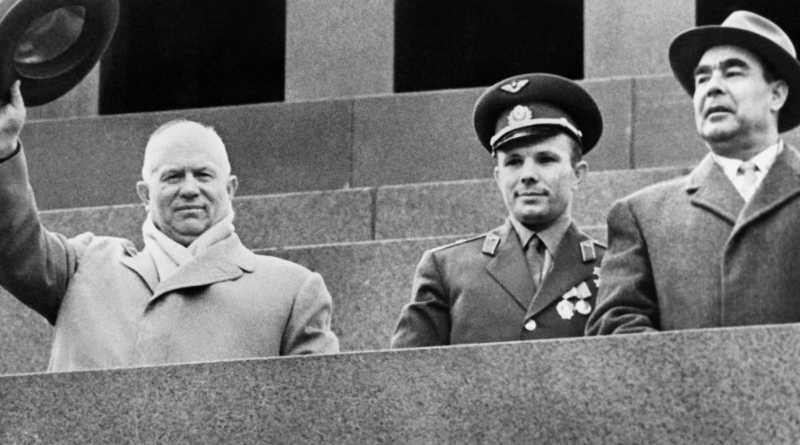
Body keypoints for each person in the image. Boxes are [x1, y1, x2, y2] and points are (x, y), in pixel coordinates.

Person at [0, 81, 339, 371]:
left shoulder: (292, 290)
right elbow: (12, 242)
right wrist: (3, 146)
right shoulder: (81, 266)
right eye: (173, 176)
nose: (189, 189)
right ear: (145, 194)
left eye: (204, 174)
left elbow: (317, 415)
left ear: (231, 188)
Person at [587, 11, 800, 335]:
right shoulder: (642, 215)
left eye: (733, 73)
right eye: (702, 78)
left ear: (777, 94)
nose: (712, 88)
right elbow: (616, 327)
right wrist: (695, 377)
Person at [391, 73, 606, 347]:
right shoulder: (447, 268)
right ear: (498, 177)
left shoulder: (611, 267)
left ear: (578, 174)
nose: (527, 175)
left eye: (545, 159)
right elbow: (406, 373)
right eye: (514, 162)